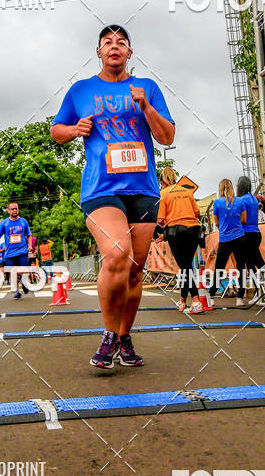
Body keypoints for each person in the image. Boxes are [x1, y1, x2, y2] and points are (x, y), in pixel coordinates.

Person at [51, 24, 175, 368]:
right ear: (99, 52)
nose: (114, 46)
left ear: (130, 53)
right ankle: (108, 336)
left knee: (134, 272)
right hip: (101, 189)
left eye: (121, 42)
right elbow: (56, 130)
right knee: (117, 254)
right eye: (108, 42)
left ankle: (124, 337)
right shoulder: (81, 90)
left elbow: (166, 136)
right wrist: (76, 129)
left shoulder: (146, 88)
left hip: (144, 189)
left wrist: (146, 108)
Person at [157, 167, 204, 314]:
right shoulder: (186, 191)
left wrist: (163, 232)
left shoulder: (163, 194)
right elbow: (197, 212)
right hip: (194, 230)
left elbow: (160, 219)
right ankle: (183, 300)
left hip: (176, 232)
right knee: (186, 266)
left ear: (163, 181)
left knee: (184, 266)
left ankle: (196, 300)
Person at [211, 179, 246, 304]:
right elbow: (244, 219)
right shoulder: (240, 201)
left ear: (220, 188)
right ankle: (240, 297)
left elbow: (216, 222)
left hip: (225, 238)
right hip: (239, 236)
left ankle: (211, 296)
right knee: (241, 266)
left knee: (219, 268)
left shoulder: (217, 203)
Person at [236, 176, 265, 300]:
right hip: (256, 232)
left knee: (248, 264)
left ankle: (259, 291)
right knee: (256, 262)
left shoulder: (241, 200)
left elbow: (242, 219)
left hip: (246, 233)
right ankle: (264, 289)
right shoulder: (254, 199)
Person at [0, 203, 31, 299]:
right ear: (8, 211)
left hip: (22, 251)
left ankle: (24, 281)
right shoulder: (5, 223)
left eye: (16, 209)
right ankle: (18, 292)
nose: (14, 210)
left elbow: (28, 235)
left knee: (24, 270)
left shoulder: (23, 221)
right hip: (10, 253)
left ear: (18, 210)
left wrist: (30, 245)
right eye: (12, 209)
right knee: (13, 272)